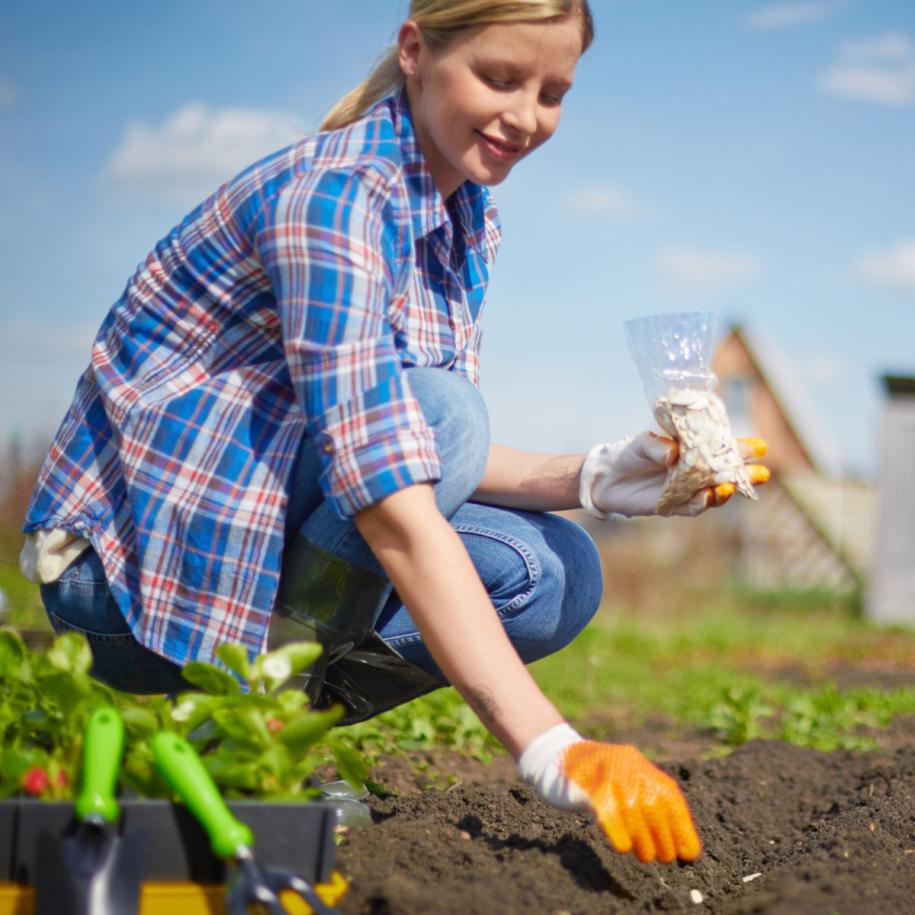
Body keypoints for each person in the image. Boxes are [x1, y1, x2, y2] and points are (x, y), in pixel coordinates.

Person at [21, 0, 768, 865]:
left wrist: (596, 477)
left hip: (247, 551)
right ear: (415, 50)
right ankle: (249, 723)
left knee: (554, 572)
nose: (526, 116)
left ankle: (258, 726)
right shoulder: (334, 200)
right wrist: (550, 746)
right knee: (447, 411)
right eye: (499, 77)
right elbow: (394, 486)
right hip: (127, 581)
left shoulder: (461, 217)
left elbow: (401, 445)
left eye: (552, 92)